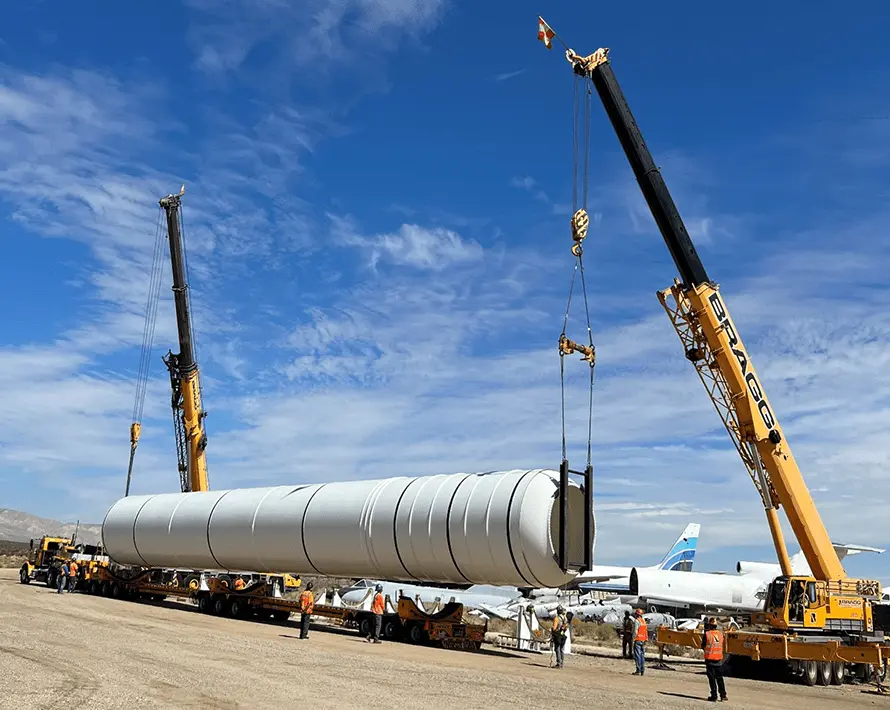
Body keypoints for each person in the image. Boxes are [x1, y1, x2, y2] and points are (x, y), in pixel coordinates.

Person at [702, 617, 727, 702]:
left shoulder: (707, 634)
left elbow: (703, 646)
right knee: (720, 678)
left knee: (712, 679)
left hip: (710, 659)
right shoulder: (720, 634)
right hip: (718, 660)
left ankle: (714, 695)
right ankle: (723, 695)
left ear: (709, 625)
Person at [631, 608, 648, 676]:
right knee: (642, 655)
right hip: (643, 640)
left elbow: (635, 631)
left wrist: (633, 639)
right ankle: (642, 670)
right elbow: (646, 631)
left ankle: (638, 670)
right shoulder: (643, 621)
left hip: (638, 640)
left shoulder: (637, 621)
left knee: (637, 655)